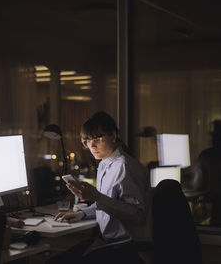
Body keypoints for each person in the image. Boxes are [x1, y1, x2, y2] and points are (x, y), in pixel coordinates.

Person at [46, 111, 150, 264]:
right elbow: (107, 203)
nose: (91, 145)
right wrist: (82, 213)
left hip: (128, 249)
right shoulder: (104, 164)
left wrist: (96, 196)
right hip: (108, 243)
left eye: (97, 138)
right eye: (87, 140)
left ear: (113, 136)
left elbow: (137, 215)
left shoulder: (126, 167)